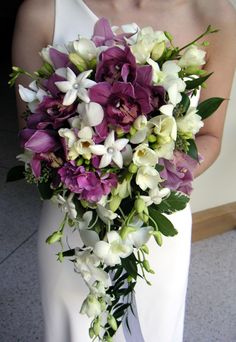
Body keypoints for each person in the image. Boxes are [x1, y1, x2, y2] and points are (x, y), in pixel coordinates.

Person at [12, 0, 236, 341]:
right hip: (73, 219)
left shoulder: (215, 15)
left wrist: (146, 172)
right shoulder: (43, 11)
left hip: (156, 223)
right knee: (73, 330)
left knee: (155, 328)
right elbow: (32, 137)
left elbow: (210, 137)